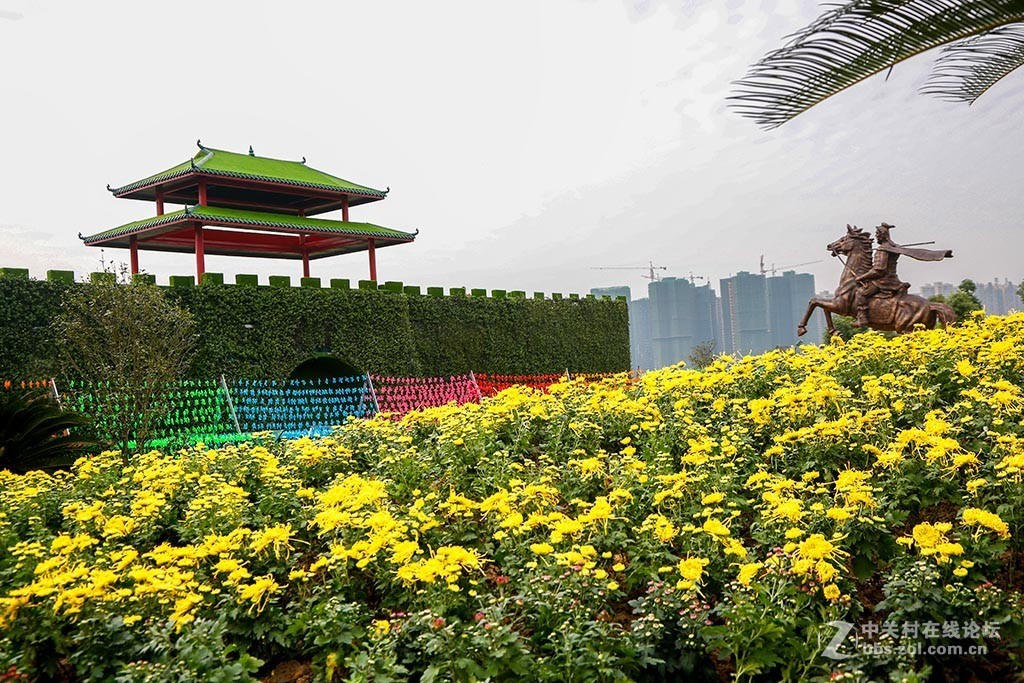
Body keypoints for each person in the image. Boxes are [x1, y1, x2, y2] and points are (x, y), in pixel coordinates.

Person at [854, 223, 952, 327]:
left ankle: (862, 317)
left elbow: (879, 270)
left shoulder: (883, 250)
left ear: (882, 235)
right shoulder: (893, 247)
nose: (876, 236)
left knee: (861, 293)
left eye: (877, 234)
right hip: (893, 280)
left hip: (883, 282)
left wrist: (861, 277)